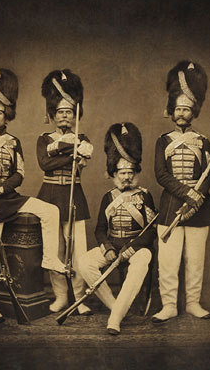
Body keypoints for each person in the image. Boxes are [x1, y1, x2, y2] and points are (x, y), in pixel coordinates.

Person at [0, 67, 66, 323]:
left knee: (50, 211)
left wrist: (1, 188)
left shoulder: (14, 141)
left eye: (0, 113)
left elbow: (19, 175)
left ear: (7, 115)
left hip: (8, 196)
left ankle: (50, 258)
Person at [152, 60, 210, 324]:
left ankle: (192, 303)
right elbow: (161, 175)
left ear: (193, 113)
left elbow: (208, 174)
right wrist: (187, 194)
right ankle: (169, 305)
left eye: (187, 109)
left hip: (200, 207)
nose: (182, 113)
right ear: (171, 111)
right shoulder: (163, 141)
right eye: (178, 108)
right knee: (168, 260)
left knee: (195, 259)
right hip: (171, 204)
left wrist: (198, 195)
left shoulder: (203, 141)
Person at [77, 122, 157, 335]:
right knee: (84, 262)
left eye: (130, 171)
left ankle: (114, 319)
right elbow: (100, 230)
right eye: (121, 172)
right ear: (114, 173)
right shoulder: (108, 198)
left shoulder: (145, 196)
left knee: (142, 261)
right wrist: (107, 248)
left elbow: (151, 231)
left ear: (135, 172)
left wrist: (132, 248)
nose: (126, 176)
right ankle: (117, 307)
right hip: (114, 246)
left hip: (137, 248)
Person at [36, 69, 94, 315]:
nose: (64, 116)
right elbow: (44, 164)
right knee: (55, 250)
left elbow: (82, 162)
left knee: (77, 249)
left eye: (69, 112)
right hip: (49, 195)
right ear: (52, 114)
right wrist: (69, 152)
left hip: (74, 195)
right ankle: (60, 296)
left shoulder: (83, 138)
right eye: (59, 112)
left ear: (75, 115)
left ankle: (79, 297)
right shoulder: (43, 138)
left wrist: (69, 152)